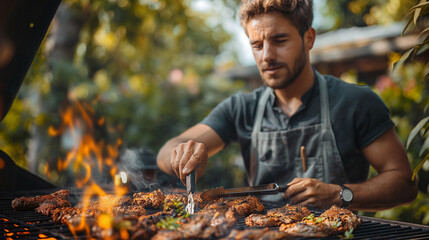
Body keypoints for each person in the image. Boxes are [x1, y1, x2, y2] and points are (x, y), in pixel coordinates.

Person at [156, 0, 418, 211]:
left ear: (309, 39)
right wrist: (183, 152)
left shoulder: (355, 103)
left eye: (279, 41)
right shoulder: (241, 108)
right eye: (257, 45)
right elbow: (166, 152)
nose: (267, 56)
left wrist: (341, 194)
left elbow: (404, 183)